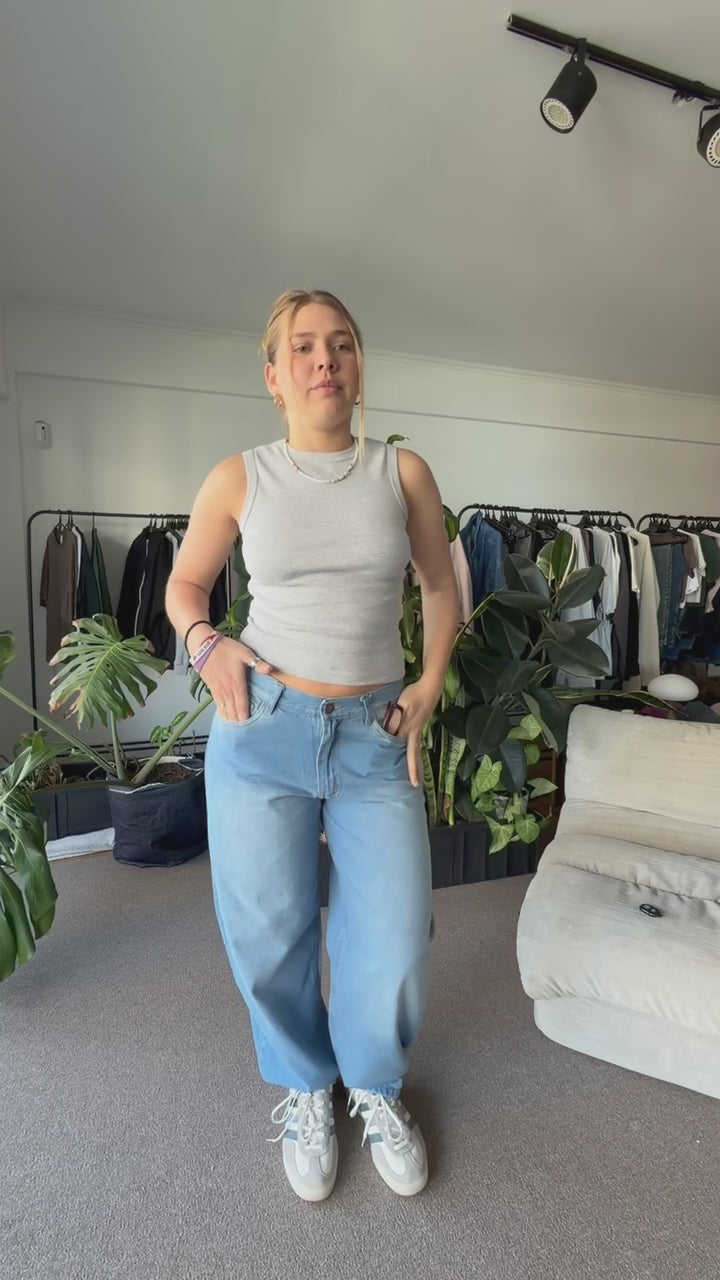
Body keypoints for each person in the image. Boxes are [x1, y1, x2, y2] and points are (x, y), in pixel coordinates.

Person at [165, 289, 459, 1202]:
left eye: (340, 344)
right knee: (266, 927)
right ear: (274, 375)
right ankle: (305, 1085)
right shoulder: (239, 477)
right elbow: (184, 585)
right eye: (302, 347)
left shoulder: (401, 473)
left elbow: (439, 585)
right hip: (264, 727)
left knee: (396, 929)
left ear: (359, 366)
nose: (323, 358)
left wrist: (429, 681)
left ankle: (372, 1082)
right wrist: (205, 645)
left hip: (374, 732)